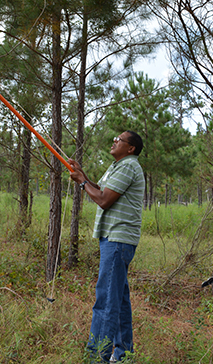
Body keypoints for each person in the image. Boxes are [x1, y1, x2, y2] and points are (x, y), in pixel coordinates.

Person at [68, 131, 145, 363]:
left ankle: (97, 356)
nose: (114, 141)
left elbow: (103, 199)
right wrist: (82, 175)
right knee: (119, 298)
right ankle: (123, 354)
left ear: (130, 148)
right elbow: (98, 188)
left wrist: (82, 182)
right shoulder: (117, 166)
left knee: (106, 299)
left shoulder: (129, 167)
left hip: (118, 240)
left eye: (119, 140)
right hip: (112, 239)